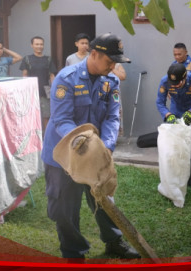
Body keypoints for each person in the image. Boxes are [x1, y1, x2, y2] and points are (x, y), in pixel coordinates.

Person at [41, 33, 140, 259]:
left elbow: (112, 118)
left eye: (116, 62)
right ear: (94, 54)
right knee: (65, 208)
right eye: (109, 61)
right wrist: (79, 143)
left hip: (94, 151)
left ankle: (114, 242)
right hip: (63, 153)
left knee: (104, 199)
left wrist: (105, 147)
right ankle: (73, 252)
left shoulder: (111, 81)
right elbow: (61, 119)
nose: (113, 66)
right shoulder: (67, 79)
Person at [156, 63, 191, 189]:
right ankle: (175, 176)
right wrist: (168, 115)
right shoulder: (164, 81)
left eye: (178, 83)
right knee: (173, 147)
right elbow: (160, 102)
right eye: (173, 84)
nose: (175, 86)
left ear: (185, 77)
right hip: (175, 113)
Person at [19, 36, 58, 132]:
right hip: (31, 91)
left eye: (41, 44)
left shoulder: (48, 59)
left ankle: (47, 137)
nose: (39, 46)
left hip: (45, 91)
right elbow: (24, 75)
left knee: (46, 116)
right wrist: (25, 91)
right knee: (31, 116)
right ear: (32, 45)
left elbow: (52, 76)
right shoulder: (27, 59)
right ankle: (33, 137)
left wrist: (54, 90)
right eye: (37, 44)